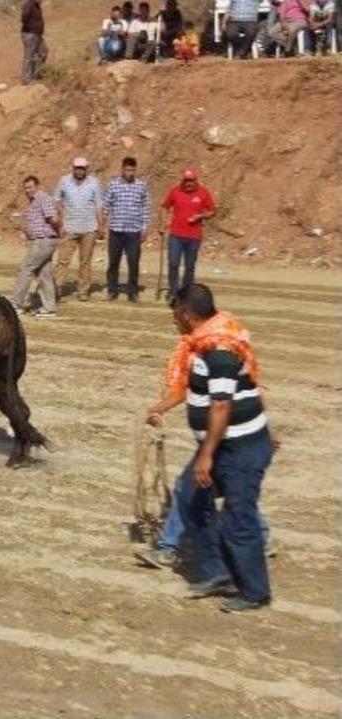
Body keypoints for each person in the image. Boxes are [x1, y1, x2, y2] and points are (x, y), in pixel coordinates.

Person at [141, 284, 275, 613]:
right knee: (190, 496)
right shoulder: (201, 345)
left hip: (237, 449)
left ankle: (254, 592)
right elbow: (191, 389)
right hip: (224, 447)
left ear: (187, 314)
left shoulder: (219, 351)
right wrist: (158, 408)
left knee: (238, 518)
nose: (174, 322)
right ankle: (218, 572)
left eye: (175, 316)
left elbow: (220, 406)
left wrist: (206, 455)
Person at [159, 168, 216, 300]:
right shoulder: (175, 191)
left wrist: (200, 216)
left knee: (189, 266)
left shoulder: (203, 193)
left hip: (194, 236)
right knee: (173, 263)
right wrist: (162, 225)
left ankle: (186, 293)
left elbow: (212, 211)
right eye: (186, 180)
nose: (188, 183)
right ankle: (173, 291)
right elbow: (164, 207)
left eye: (190, 181)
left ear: (196, 180)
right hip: (176, 235)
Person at [53, 157, 104, 302]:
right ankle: (56, 288)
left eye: (82, 168)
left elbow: (99, 204)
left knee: (85, 261)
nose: (79, 170)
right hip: (69, 228)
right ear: (73, 168)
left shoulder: (94, 182)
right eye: (77, 168)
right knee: (63, 260)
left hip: (89, 228)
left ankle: (83, 290)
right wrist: (60, 222)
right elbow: (57, 199)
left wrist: (101, 225)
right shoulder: (64, 181)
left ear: (86, 169)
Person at [12, 176, 61, 319]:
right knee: (44, 274)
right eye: (26, 188)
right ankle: (49, 308)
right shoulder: (34, 201)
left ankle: (16, 304)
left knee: (26, 269)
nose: (28, 190)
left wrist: (58, 228)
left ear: (37, 186)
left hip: (42, 241)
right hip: (43, 241)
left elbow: (53, 218)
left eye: (30, 187)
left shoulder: (42, 198)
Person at [103, 157, 150, 302]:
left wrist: (144, 229)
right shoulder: (113, 185)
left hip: (133, 231)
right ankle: (112, 290)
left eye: (133, 170)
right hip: (116, 230)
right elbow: (106, 205)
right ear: (122, 169)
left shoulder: (141, 186)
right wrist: (102, 224)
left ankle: (133, 291)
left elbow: (146, 208)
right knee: (113, 262)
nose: (130, 173)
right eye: (128, 170)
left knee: (134, 262)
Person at [21, 0, 48, 84]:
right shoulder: (29, 3)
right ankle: (26, 79)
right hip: (30, 34)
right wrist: (31, 27)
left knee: (44, 52)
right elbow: (24, 17)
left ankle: (36, 74)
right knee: (29, 57)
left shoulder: (36, 5)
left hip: (37, 35)